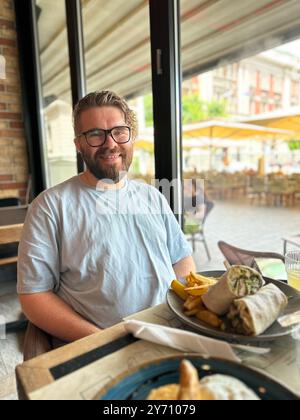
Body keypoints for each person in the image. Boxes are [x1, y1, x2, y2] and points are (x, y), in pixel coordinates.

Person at [17, 91, 195, 343]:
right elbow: (34, 296)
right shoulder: (49, 206)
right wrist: (105, 342)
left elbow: (181, 259)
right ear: (79, 144)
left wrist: (188, 314)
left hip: (171, 333)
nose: (110, 143)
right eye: (95, 134)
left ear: (130, 137)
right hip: (100, 347)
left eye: (119, 131)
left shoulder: (152, 196)